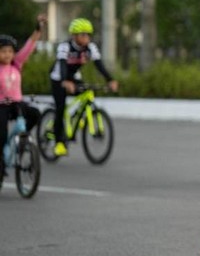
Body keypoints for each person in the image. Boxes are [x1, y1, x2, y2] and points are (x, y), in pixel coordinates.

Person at [48, 17, 119, 157]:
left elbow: (99, 64)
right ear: (74, 35)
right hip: (58, 78)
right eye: (83, 34)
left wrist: (110, 80)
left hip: (74, 77)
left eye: (88, 34)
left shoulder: (90, 47)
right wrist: (64, 81)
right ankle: (59, 143)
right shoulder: (65, 46)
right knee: (61, 108)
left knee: (87, 92)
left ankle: (76, 118)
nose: (87, 37)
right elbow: (62, 64)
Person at [0, 15, 46, 176]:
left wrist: (39, 28)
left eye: (10, 51)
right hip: (1, 105)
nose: (7, 55)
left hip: (16, 103)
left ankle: (23, 140)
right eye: (3, 51)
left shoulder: (16, 64)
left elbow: (29, 45)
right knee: (2, 134)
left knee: (35, 114)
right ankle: (2, 164)